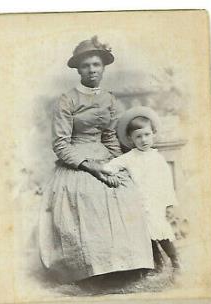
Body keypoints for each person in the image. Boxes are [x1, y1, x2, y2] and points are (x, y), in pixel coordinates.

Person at [38, 36, 154, 285]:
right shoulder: (66, 100)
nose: (92, 70)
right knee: (88, 195)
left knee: (126, 190)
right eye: (86, 66)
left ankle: (127, 265)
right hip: (76, 159)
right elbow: (60, 144)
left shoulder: (110, 99)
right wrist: (91, 167)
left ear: (103, 68)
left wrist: (117, 165)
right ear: (78, 69)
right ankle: (92, 270)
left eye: (96, 65)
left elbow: (110, 136)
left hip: (105, 156)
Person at [100, 106, 180, 272]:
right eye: (138, 137)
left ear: (153, 134)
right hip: (140, 202)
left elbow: (166, 183)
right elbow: (112, 166)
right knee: (146, 235)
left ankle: (175, 260)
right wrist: (104, 170)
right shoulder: (130, 158)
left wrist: (169, 204)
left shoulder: (157, 158)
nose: (143, 140)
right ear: (131, 139)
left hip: (156, 202)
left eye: (147, 135)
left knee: (161, 231)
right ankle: (157, 265)